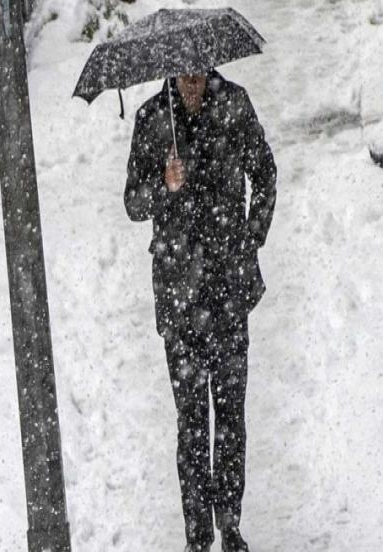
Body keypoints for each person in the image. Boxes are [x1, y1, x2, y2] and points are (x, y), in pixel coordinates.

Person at [125, 71, 276, 552]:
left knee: (231, 415)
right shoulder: (153, 119)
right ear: (172, 71)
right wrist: (163, 185)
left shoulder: (234, 104)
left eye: (200, 70)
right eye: (185, 74)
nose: (192, 81)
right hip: (178, 296)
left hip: (229, 289)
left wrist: (251, 237)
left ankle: (230, 525)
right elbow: (132, 201)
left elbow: (265, 172)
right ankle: (197, 536)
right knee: (191, 421)